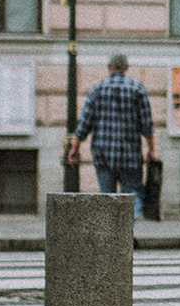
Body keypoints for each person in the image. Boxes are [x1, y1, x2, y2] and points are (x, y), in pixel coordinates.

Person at [66, 54, 157, 216]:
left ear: (109, 67)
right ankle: (126, 232)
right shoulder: (138, 90)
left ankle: (112, 236)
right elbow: (147, 126)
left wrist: (75, 148)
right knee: (131, 198)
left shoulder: (97, 89)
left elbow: (84, 123)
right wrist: (151, 150)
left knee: (107, 198)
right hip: (130, 156)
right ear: (126, 68)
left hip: (103, 155)